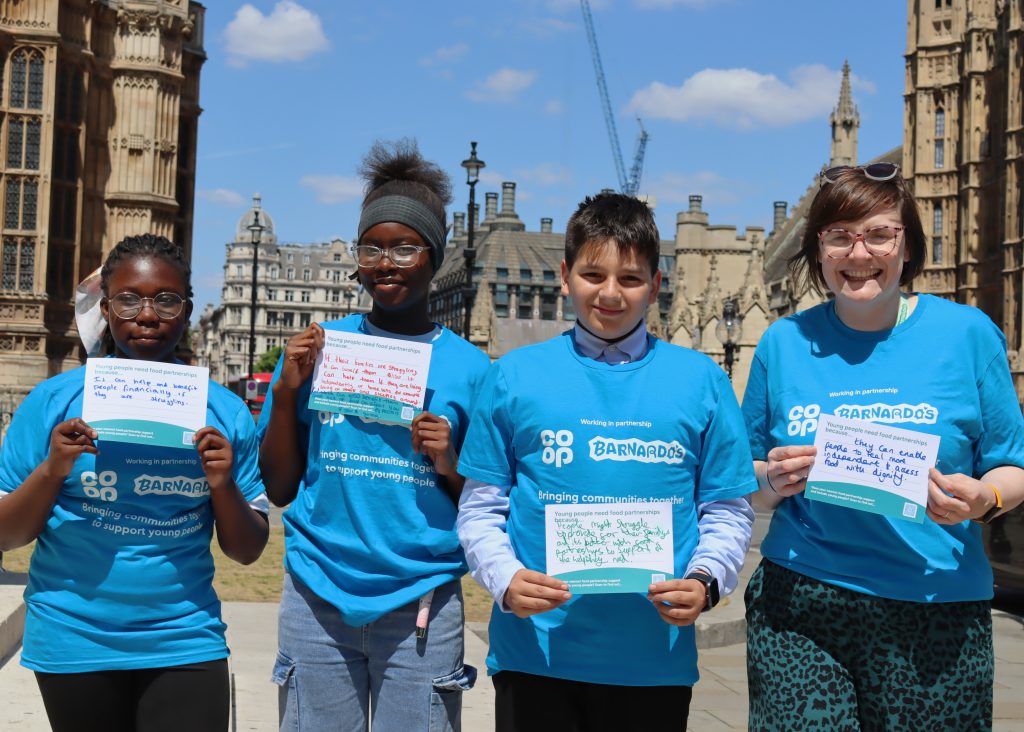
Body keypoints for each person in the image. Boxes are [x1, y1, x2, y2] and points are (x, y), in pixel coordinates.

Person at [456, 192, 756, 732]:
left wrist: (707, 580)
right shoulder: (513, 376)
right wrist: (504, 579)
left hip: (652, 662)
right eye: (594, 275)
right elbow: (480, 507)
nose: (611, 294)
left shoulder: (703, 381)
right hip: (537, 655)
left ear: (657, 284)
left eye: (631, 278)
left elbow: (727, 509)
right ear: (566, 277)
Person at [742, 162, 1024, 731]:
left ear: (907, 245)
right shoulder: (782, 343)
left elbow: (1012, 466)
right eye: (839, 237)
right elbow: (741, 481)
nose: (859, 253)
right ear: (818, 250)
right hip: (802, 601)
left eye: (879, 234)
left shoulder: (968, 335)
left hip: (936, 605)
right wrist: (771, 481)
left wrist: (984, 499)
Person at [258, 139, 490, 732]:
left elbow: (487, 503)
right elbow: (280, 487)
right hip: (317, 594)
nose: (386, 262)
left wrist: (449, 460)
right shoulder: (321, 349)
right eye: (372, 247)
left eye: (405, 247)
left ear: (434, 257)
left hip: (422, 601)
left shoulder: (471, 369)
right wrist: (287, 390)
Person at [0, 233, 270, 732]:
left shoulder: (224, 411)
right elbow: (6, 535)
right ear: (106, 308)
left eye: (166, 300)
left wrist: (222, 483)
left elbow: (248, 551)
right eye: (129, 299)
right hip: (73, 634)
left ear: (187, 311)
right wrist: (53, 470)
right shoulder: (53, 401)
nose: (147, 315)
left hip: (184, 635)